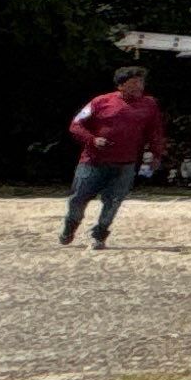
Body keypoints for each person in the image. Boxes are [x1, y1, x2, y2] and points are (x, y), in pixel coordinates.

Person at [64, 66, 168, 248]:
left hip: (125, 163)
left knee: (113, 201)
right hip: (93, 161)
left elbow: (155, 131)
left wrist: (156, 153)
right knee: (78, 198)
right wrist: (92, 139)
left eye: (141, 82)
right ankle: (71, 225)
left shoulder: (149, 104)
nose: (139, 86)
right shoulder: (100, 102)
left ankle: (100, 234)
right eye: (133, 82)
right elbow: (76, 125)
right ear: (121, 85)